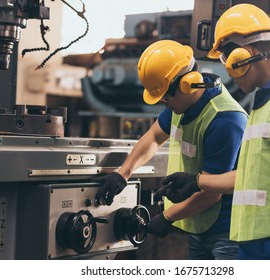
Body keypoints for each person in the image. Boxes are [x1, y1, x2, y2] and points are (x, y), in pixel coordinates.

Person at [158, 4, 270, 260]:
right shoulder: (263, 101)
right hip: (254, 246)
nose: (228, 71)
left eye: (227, 59)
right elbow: (252, 177)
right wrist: (196, 181)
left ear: (246, 54)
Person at [92, 39, 248, 259]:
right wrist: (123, 173)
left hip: (227, 231)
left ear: (189, 84)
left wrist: (167, 216)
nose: (163, 102)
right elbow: (154, 137)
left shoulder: (224, 119)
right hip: (199, 225)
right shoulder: (181, 104)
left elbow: (212, 192)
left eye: (166, 96)